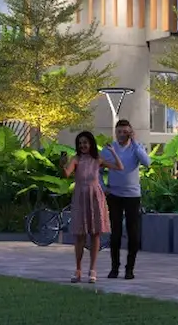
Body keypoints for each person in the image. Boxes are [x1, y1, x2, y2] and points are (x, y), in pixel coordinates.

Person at [62, 130, 122, 284]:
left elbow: (119, 167)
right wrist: (63, 163)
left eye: (85, 142)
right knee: (80, 235)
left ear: (91, 144)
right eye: (80, 143)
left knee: (95, 234)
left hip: (95, 197)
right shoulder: (76, 159)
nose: (83, 145)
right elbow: (67, 173)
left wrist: (113, 152)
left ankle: (93, 270)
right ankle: (78, 269)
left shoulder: (97, 159)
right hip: (81, 197)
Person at [102, 118, 151, 280]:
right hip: (114, 195)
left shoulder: (137, 148)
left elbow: (147, 162)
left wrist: (135, 141)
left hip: (132, 195)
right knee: (115, 233)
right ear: (115, 133)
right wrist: (104, 187)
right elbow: (97, 169)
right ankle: (114, 268)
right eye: (119, 132)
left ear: (130, 132)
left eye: (125, 132)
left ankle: (130, 268)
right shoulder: (109, 149)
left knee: (133, 233)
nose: (122, 135)